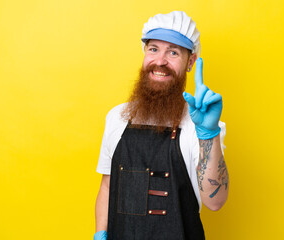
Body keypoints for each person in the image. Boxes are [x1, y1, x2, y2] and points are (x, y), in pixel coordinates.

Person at [94, 11, 229, 240]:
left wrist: (208, 134)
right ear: (145, 53)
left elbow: (215, 202)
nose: (160, 61)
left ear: (191, 62)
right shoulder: (117, 117)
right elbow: (108, 187)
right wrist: (100, 233)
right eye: (154, 49)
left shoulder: (203, 125)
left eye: (173, 52)